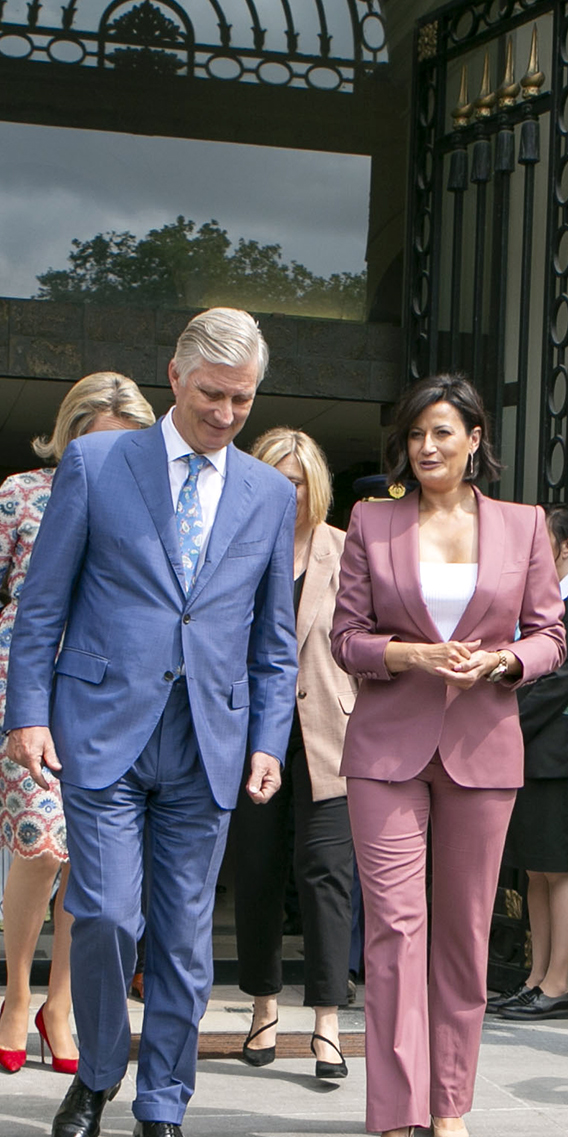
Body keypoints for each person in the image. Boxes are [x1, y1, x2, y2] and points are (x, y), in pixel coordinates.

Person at [3, 307, 299, 1137]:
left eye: (243, 399)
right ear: (175, 375)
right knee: (104, 913)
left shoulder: (268, 494)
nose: (226, 414)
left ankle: (163, 1106)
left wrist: (268, 738)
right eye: (213, 394)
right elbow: (43, 603)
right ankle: (96, 1075)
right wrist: (28, 712)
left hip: (209, 739)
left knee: (182, 940)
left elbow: (273, 639)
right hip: (101, 733)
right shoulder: (99, 463)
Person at [332, 372, 566, 1137]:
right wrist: (410, 654)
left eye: (442, 433)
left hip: (483, 746)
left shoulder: (523, 526)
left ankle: (450, 1098)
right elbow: (347, 638)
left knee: (465, 932)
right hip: (386, 749)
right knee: (396, 929)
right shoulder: (371, 521)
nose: (426, 447)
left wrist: (503, 662)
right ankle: (393, 1113)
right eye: (415, 434)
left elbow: (550, 636)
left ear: (474, 441)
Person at [0, 372, 155, 1074]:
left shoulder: (147, 503)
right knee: (42, 850)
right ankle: (16, 994)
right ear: (69, 438)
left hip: (104, 697)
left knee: (88, 859)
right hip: (25, 690)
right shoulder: (22, 493)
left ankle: (60, 1005)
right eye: (99, 446)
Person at [227, 424, 356, 1082]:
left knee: (327, 877)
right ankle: (262, 1008)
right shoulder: (237, 550)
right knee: (257, 874)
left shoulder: (347, 551)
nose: (288, 488)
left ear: (316, 486)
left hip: (330, 737)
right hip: (254, 738)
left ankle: (329, 1021)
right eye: (276, 475)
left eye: (299, 478)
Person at [494, 503, 568, 1024]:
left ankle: (559, 983)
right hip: (530, 758)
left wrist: (496, 722)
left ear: (567, 546)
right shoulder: (536, 603)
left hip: (561, 761)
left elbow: (555, 686)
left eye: (541, 539)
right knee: (535, 873)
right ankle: (535, 977)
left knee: (561, 871)